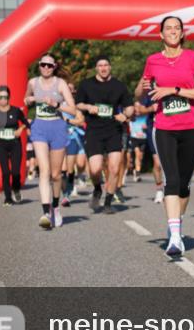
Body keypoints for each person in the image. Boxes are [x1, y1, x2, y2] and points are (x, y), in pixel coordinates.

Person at [141, 16, 194, 256]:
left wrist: (175, 90)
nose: (172, 31)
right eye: (168, 28)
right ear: (161, 34)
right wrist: (142, 87)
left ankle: (176, 224)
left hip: (191, 126)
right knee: (171, 179)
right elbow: (144, 89)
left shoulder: (193, 57)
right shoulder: (153, 60)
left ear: (182, 33)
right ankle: (175, 237)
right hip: (165, 127)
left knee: (184, 183)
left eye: (176, 28)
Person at [74, 56, 134, 215]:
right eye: (100, 65)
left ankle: (108, 202)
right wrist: (88, 107)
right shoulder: (86, 84)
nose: (103, 68)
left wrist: (126, 116)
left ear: (110, 67)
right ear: (96, 68)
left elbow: (129, 106)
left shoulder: (119, 85)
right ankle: (97, 189)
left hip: (114, 129)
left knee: (114, 169)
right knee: (95, 169)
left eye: (106, 65)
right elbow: (78, 103)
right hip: (94, 130)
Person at [24, 53, 77, 229]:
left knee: (56, 175)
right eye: (43, 64)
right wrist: (29, 100)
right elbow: (26, 98)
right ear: (39, 65)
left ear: (54, 67)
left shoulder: (60, 84)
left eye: (49, 65)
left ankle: (55, 207)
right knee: (44, 171)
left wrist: (56, 105)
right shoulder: (32, 82)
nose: (46, 68)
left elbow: (73, 110)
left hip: (58, 128)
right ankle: (45, 212)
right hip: (40, 127)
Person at [0, 85, 31, 205]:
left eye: (5, 97)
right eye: (0, 97)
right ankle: (7, 197)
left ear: (9, 98)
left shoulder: (16, 111)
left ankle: (16, 189)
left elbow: (26, 123)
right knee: (5, 172)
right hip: (1, 144)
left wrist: (21, 129)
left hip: (15, 143)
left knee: (16, 172)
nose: (3, 100)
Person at [134, 89, 165, 204]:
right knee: (157, 163)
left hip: (173, 128)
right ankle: (159, 189)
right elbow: (140, 109)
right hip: (154, 129)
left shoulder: (174, 88)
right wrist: (151, 109)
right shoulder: (151, 93)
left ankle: (172, 189)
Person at [60, 82, 87, 207]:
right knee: (62, 170)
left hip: (71, 139)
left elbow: (81, 120)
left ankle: (67, 195)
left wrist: (68, 121)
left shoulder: (75, 106)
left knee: (70, 169)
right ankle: (64, 193)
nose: (68, 91)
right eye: (66, 89)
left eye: (70, 89)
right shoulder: (57, 104)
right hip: (58, 139)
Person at [128, 112, 149, 183]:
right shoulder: (132, 116)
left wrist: (146, 128)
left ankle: (136, 171)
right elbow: (129, 127)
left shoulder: (146, 116)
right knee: (137, 154)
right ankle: (137, 173)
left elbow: (149, 126)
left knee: (141, 157)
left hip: (143, 138)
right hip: (134, 138)